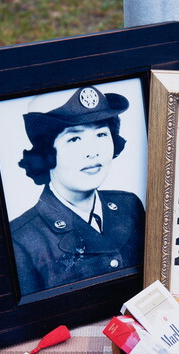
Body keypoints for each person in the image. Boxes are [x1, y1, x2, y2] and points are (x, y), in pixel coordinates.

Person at [11, 86, 145, 295]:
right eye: (74, 138)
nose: (93, 152)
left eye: (101, 134)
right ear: (47, 154)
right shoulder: (21, 241)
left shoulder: (129, 205)